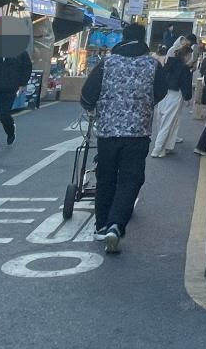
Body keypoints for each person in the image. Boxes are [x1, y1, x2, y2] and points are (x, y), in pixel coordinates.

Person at [80, 22, 167, 254]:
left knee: (106, 177)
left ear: (123, 38)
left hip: (108, 133)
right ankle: (116, 225)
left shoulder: (107, 63)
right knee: (130, 179)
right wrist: (145, 103)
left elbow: (87, 94)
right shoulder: (153, 65)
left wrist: (92, 107)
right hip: (138, 133)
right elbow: (161, 92)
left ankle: (101, 226)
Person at [150, 38, 193, 157]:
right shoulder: (184, 68)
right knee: (168, 122)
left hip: (163, 94)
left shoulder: (169, 62)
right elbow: (186, 84)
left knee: (162, 120)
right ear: (187, 55)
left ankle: (165, 147)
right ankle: (158, 149)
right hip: (175, 95)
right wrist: (188, 98)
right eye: (190, 55)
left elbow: (160, 78)